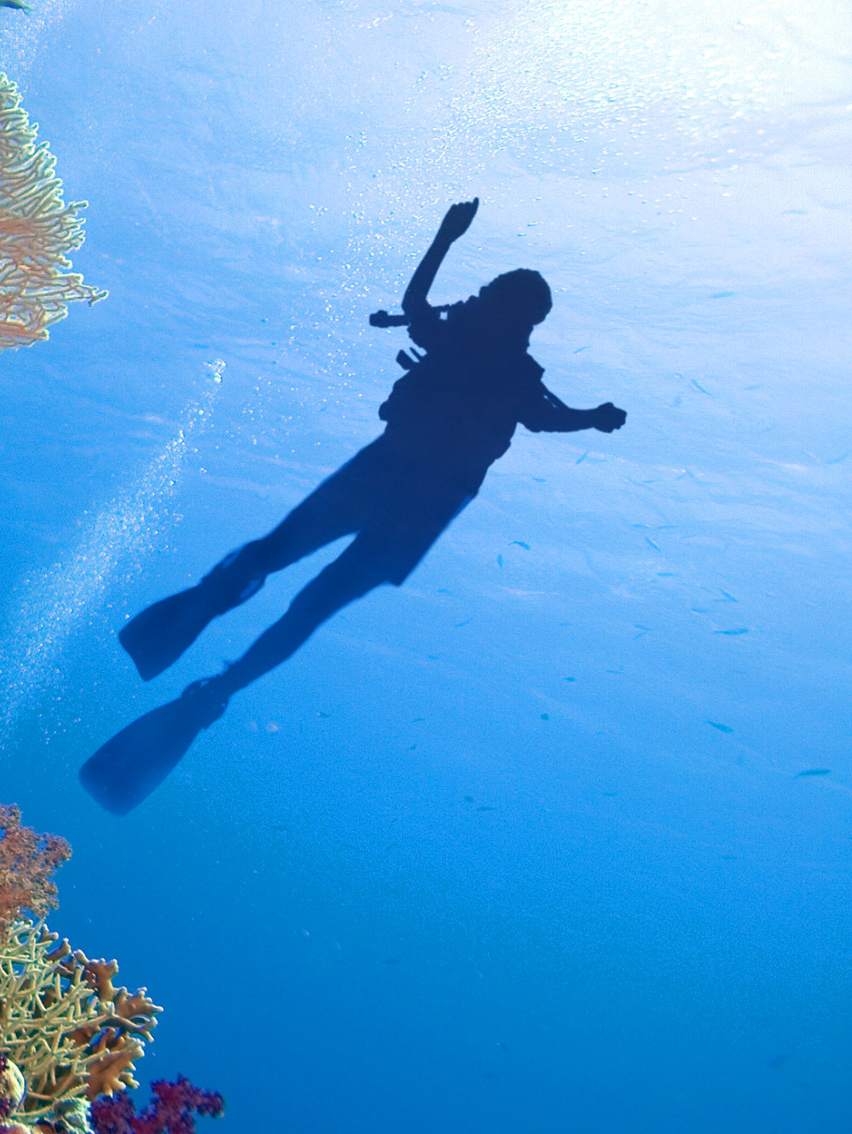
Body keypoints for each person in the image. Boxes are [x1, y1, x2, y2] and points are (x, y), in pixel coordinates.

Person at [79, 199, 626, 815]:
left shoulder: (485, 354)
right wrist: (594, 419)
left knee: (286, 572)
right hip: (415, 501)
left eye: (495, 295)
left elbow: (434, 317)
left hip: (389, 480)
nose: (484, 302)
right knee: (304, 596)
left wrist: (446, 238)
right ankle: (217, 681)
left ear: (511, 309)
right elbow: (547, 416)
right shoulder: (503, 363)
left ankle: (212, 647)